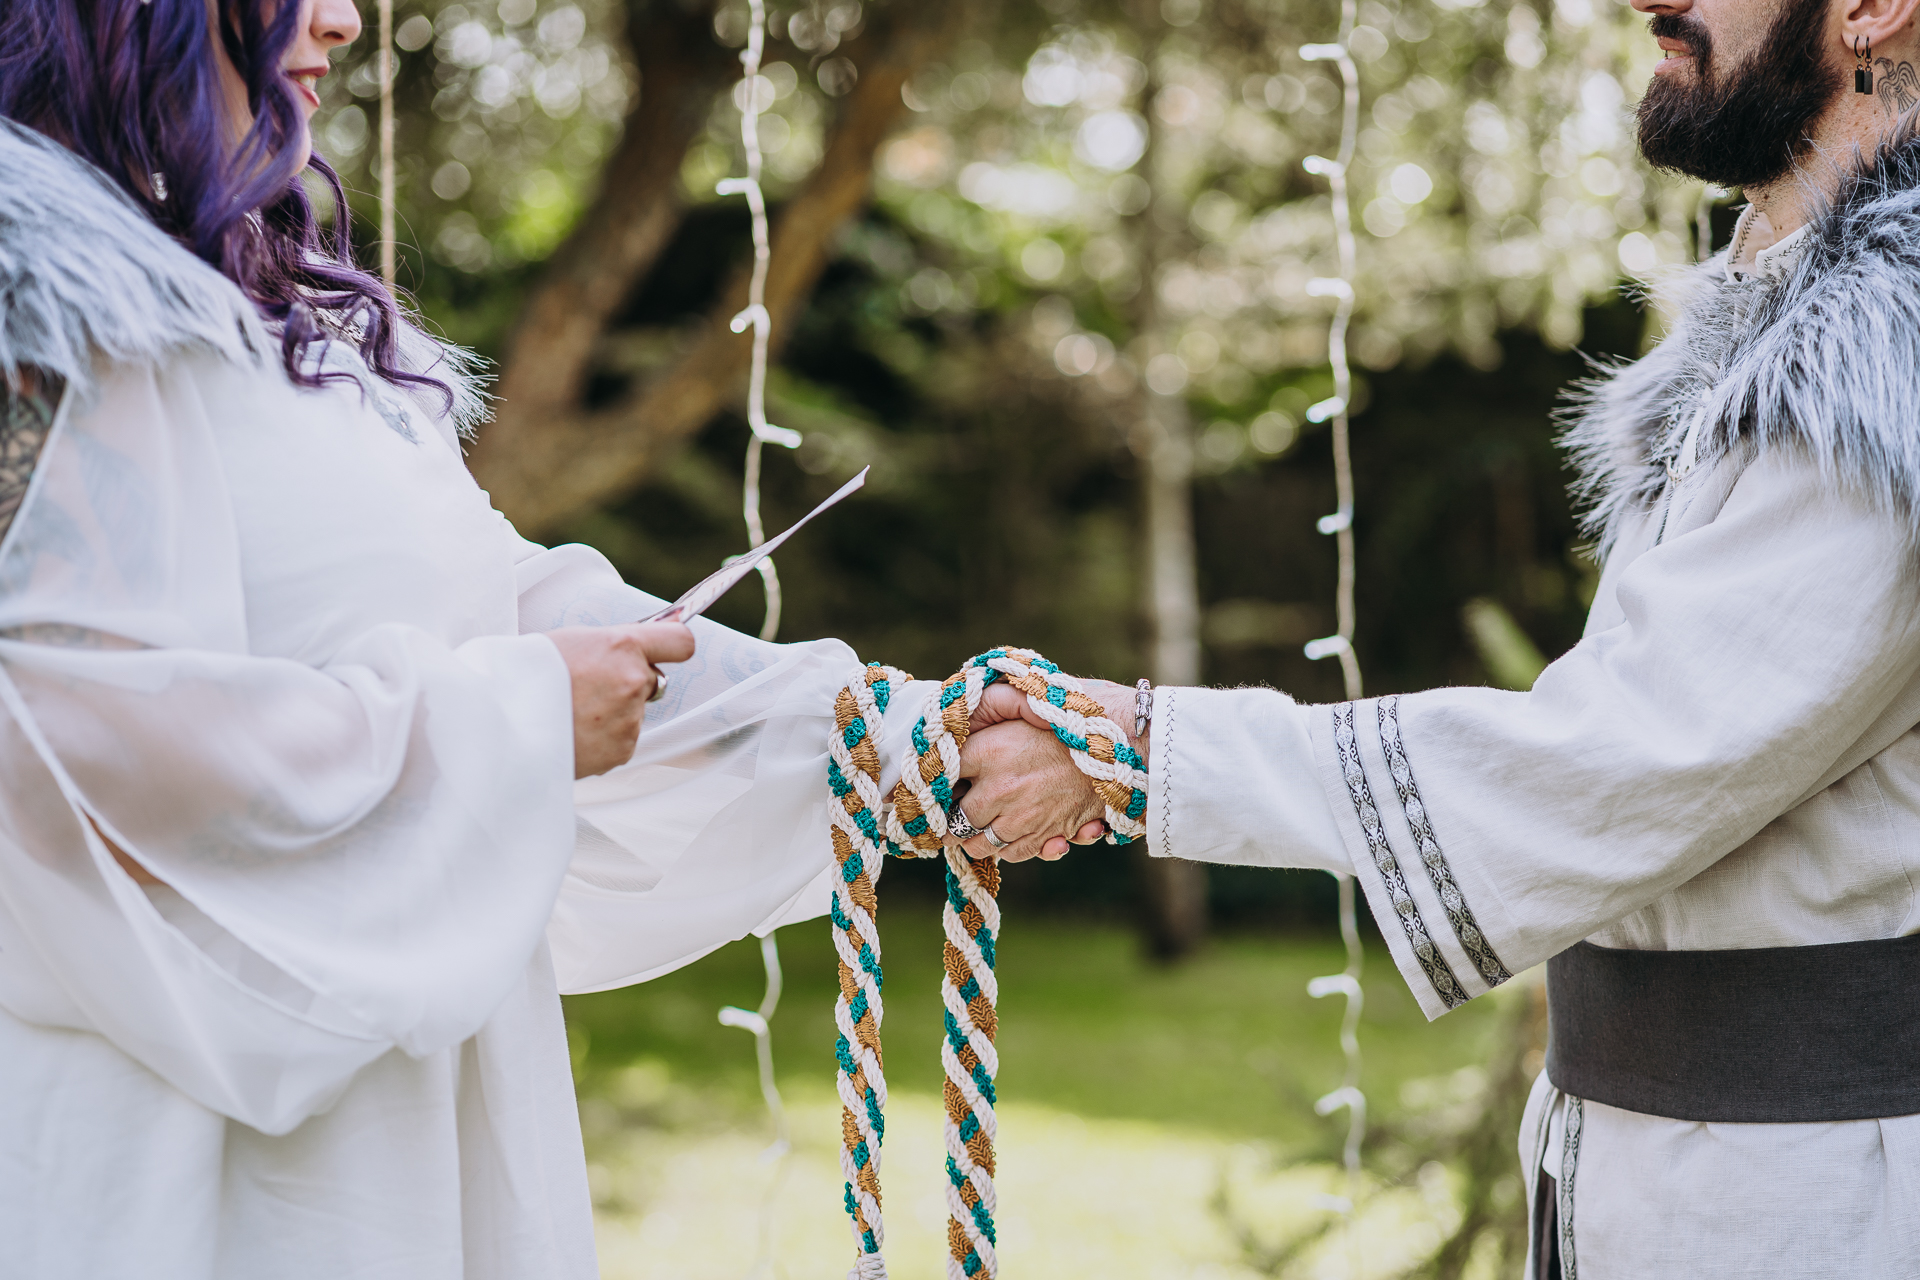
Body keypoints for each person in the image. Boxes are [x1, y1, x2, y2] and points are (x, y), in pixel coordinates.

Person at [0, 1, 1105, 1276]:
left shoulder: (265, 300)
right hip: (167, 1154)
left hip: (412, 1121)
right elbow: (49, 734)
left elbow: (503, 600)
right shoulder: (35, 292)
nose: (343, 18)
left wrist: (891, 734)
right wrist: (518, 719)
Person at [1004, 0, 1920, 1273]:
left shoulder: (1888, 366)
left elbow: (1617, 759)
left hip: (1808, 1205)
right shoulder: (1787, 322)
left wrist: (1143, 753)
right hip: (1648, 1167)